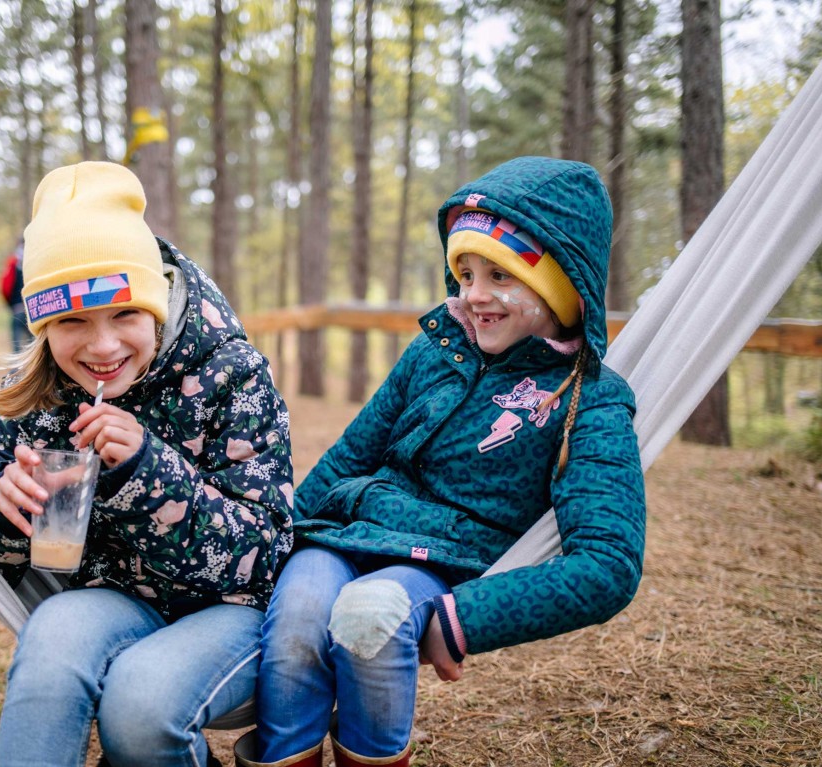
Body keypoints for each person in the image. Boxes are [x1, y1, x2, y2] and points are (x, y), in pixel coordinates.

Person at [239, 156, 647, 767]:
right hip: (343, 532)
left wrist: (461, 621)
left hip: (438, 559)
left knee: (369, 620)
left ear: (562, 286)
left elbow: (608, 566)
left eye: (500, 277)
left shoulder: (588, 398)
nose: (474, 296)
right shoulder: (435, 350)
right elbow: (351, 455)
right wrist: (264, 546)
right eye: (465, 273)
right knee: (296, 620)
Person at [0, 161, 294, 767]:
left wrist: (145, 469)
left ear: (155, 307)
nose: (102, 347)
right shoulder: (39, 392)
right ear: (44, 325)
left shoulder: (232, 374)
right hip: (112, 598)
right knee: (49, 645)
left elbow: (262, 548)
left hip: (234, 613)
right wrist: (1, 507)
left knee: (139, 706)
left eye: (124, 314)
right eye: (72, 321)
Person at [0, 236, 29, 353]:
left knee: (17, 347)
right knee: (34, 346)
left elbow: (5, 286)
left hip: (17, 308)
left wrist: (10, 304)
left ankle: (17, 370)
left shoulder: (13, 261)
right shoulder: (36, 259)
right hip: (34, 308)